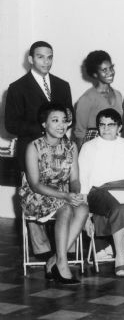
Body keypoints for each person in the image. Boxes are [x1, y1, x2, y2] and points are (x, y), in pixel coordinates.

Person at [6, 41, 74, 259]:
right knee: (33, 194)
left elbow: (69, 118)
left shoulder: (63, 85)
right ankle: (41, 250)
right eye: (41, 57)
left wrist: (60, 128)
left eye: (50, 57)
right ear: (31, 59)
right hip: (31, 152)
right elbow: (11, 125)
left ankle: (66, 248)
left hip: (59, 153)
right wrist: (46, 128)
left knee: (63, 196)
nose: (46, 61)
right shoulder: (17, 87)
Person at [79, 108, 124, 277]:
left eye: (111, 125)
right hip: (99, 191)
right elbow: (83, 179)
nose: (106, 129)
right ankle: (120, 257)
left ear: (119, 127)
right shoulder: (89, 147)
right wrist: (85, 209)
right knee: (121, 207)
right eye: (102, 125)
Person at [19, 102, 88, 284]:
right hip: (36, 196)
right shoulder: (33, 147)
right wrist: (65, 197)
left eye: (64, 121)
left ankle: (54, 259)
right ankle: (63, 264)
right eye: (55, 120)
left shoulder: (71, 146)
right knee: (65, 209)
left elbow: (74, 179)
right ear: (44, 124)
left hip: (62, 194)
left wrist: (74, 193)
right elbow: (34, 184)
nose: (61, 125)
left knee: (82, 209)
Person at [75, 51, 123, 149]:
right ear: (95, 74)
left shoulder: (118, 95)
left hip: (114, 143)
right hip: (94, 145)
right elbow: (80, 133)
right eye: (104, 70)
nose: (110, 72)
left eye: (111, 68)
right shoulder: (87, 98)